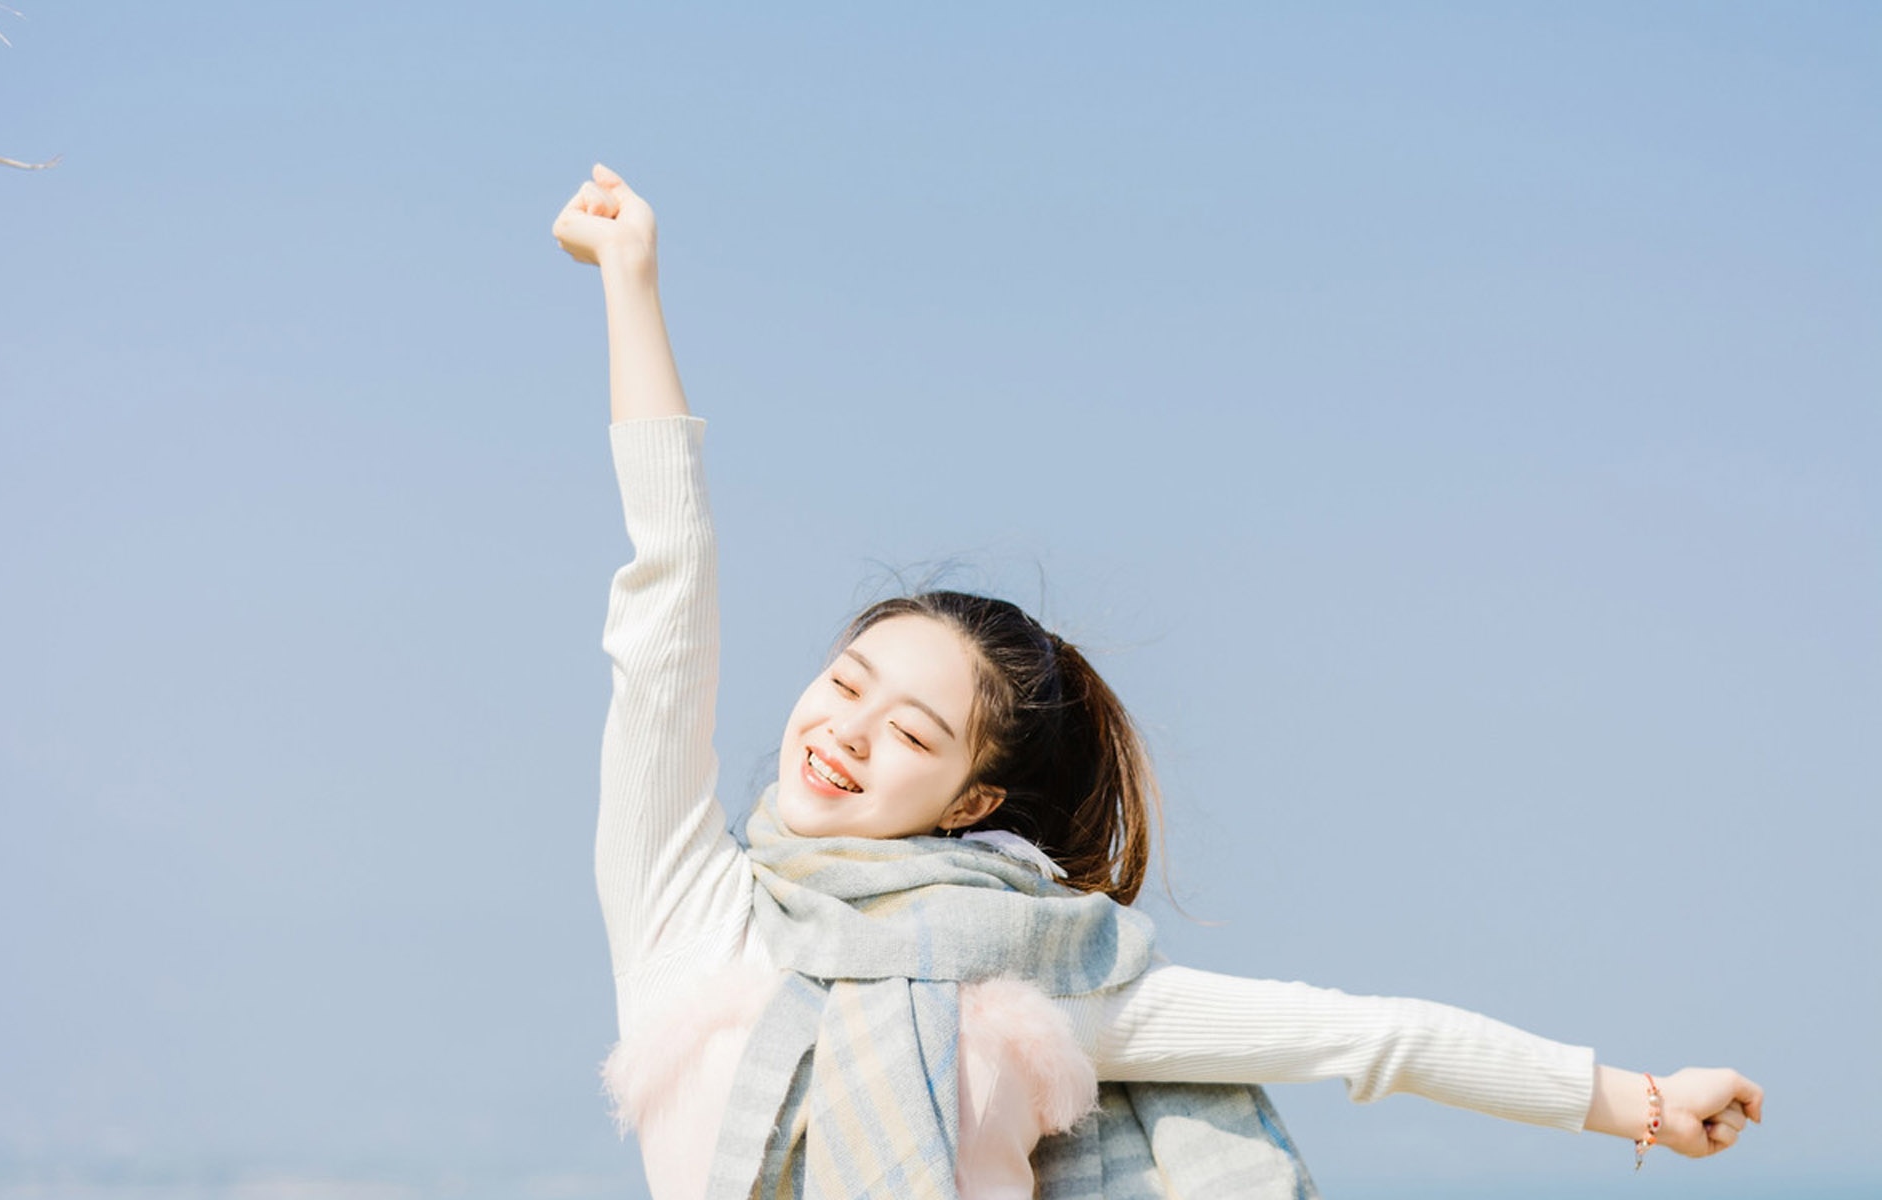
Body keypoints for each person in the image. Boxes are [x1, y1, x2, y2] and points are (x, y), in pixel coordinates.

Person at [551, 163, 1764, 1200]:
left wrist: (1637, 1103)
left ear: (975, 801)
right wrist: (632, 283)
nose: (845, 731)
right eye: (845, 683)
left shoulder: (1037, 989)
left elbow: (1365, 1037)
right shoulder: (688, 909)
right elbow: (669, 602)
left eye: (911, 732)